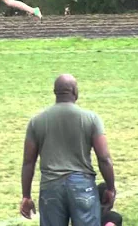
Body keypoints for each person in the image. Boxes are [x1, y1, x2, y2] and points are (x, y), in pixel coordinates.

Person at [19, 74, 116, 226]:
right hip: (82, 185)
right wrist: (110, 188)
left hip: (50, 186)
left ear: (55, 92)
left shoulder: (36, 122)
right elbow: (104, 158)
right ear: (74, 91)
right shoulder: (91, 119)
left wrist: (26, 195)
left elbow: (28, 162)